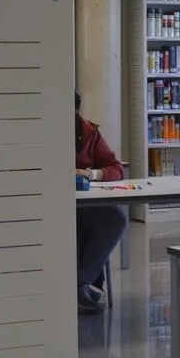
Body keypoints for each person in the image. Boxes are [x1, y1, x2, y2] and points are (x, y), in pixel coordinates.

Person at [75, 89, 127, 314]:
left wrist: (90, 173)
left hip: (87, 204)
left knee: (115, 218)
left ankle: (80, 282)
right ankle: (80, 286)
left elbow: (116, 168)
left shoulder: (89, 132)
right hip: (54, 207)